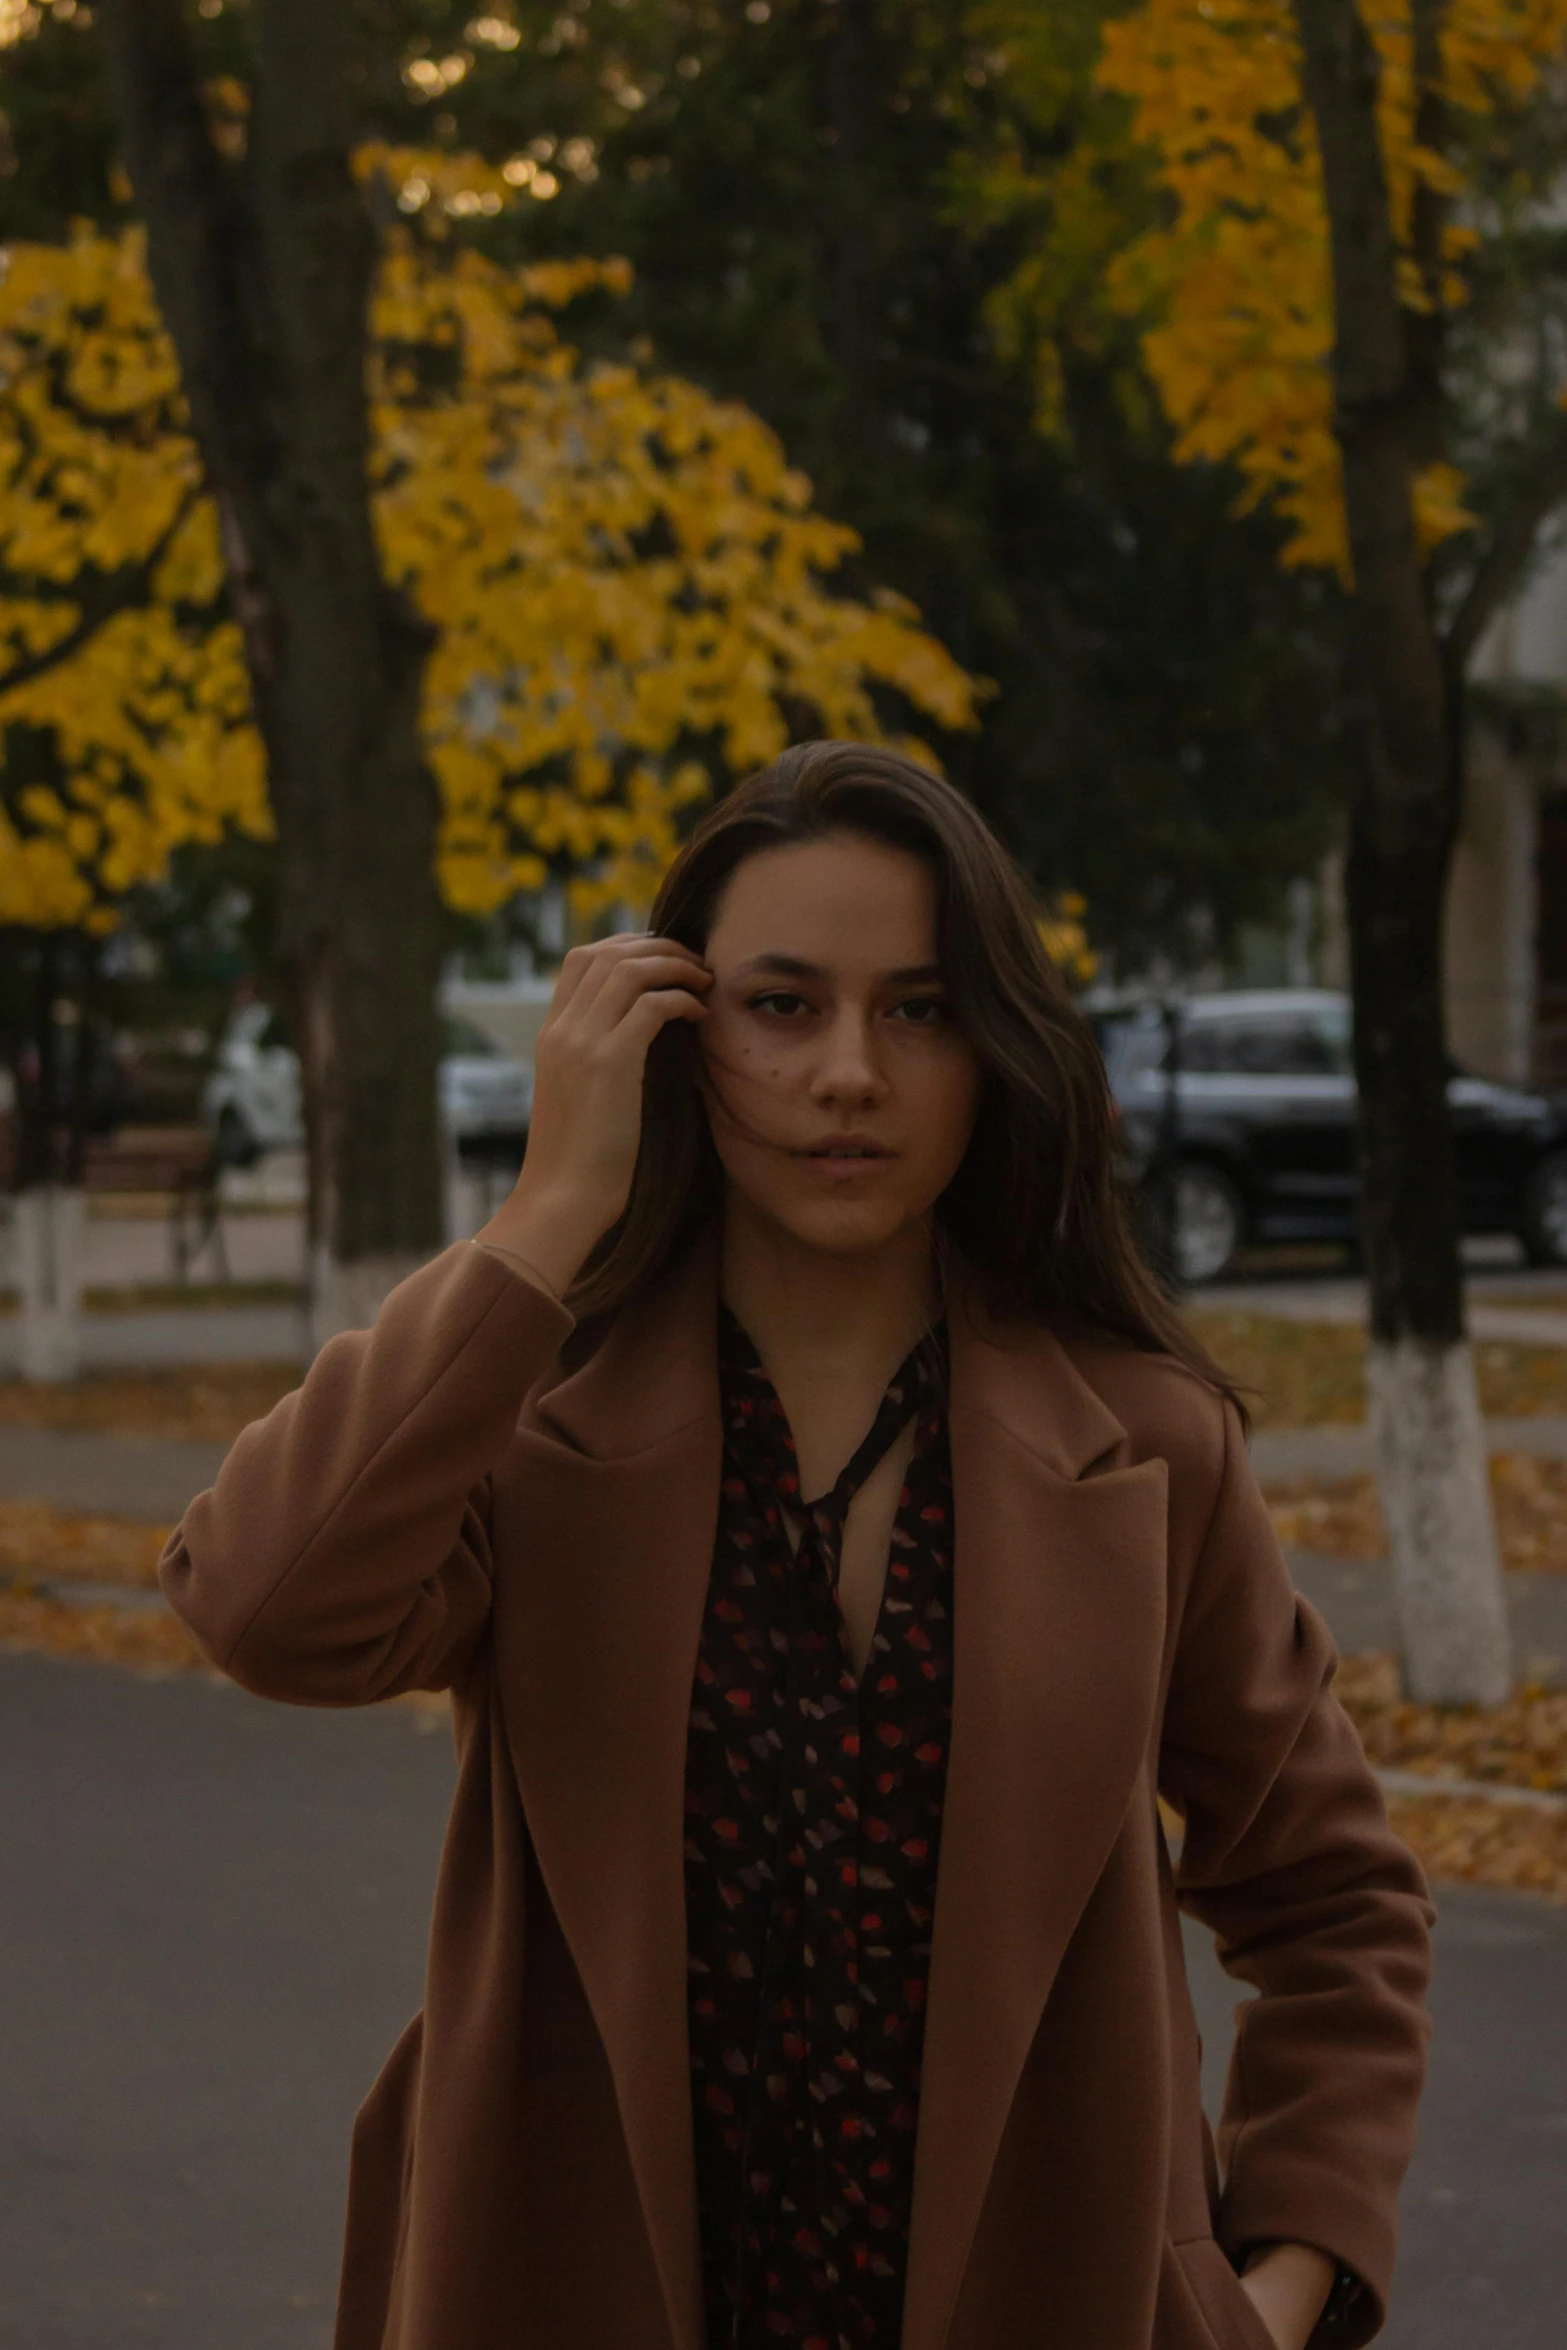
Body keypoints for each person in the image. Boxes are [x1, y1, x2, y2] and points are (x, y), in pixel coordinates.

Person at [162, 742, 1432, 2350]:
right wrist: (548, 1212)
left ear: (993, 1047)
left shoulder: (1144, 1442)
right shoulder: (530, 1418)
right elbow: (266, 1606)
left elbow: (1334, 1900)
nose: (851, 1072)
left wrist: (1283, 2274)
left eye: (916, 1008)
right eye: (781, 1006)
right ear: (675, 1043)